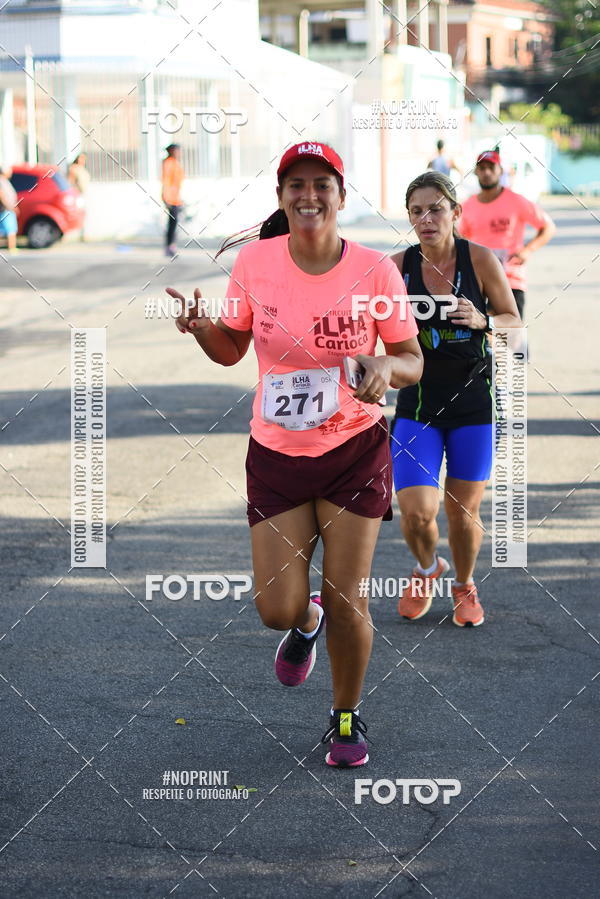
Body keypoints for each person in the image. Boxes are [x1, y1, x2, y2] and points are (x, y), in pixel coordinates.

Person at [167, 142, 422, 767]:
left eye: (321, 184)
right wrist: (204, 328)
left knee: (347, 598)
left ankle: (345, 717)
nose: (308, 194)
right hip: (278, 452)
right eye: (295, 184)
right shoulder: (255, 264)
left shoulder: (376, 271)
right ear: (282, 196)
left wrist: (385, 366)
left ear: (341, 194)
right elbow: (232, 350)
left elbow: (413, 360)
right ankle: (302, 625)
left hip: (354, 448)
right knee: (275, 608)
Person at [390, 171, 521, 627]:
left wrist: (483, 320)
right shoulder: (396, 268)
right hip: (417, 408)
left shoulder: (479, 260)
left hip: (473, 409)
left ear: (455, 213)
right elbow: (363, 326)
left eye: (436, 209)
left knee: (463, 513)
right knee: (416, 514)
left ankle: (464, 583)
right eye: (416, 212)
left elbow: (515, 325)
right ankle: (428, 569)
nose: (426, 219)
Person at [459, 149, 555, 320]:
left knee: (511, 339)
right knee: (483, 340)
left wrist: (528, 250)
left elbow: (548, 227)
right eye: (482, 168)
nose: (487, 172)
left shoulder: (516, 201)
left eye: (491, 167)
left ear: (500, 170)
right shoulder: (467, 206)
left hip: (511, 279)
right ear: (476, 172)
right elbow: (460, 241)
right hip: (479, 282)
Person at [161, 143, 184, 257]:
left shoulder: (175, 163)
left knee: (174, 223)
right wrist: (165, 197)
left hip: (176, 198)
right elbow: (166, 181)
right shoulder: (168, 163)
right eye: (177, 151)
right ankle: (169, 246)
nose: (179, 153)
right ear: (171, 151)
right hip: (170, 198)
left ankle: (171, 246)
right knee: (172, 223)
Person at [68, 153, 90, 241]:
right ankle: (71, 235)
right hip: (77, 195)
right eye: (81, 158)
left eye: (84, 159)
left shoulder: (82, 169)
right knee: (75, 213)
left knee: (84, 214)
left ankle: (84, 234)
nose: (82, 161)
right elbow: (70, 182)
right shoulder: (74, 168)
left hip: (83, 194)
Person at [0, 164, 18, 253]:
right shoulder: (1, 181)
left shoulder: (4, 181)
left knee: (8, 229)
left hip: (8, 209)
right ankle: (12, 249)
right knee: (10, 229)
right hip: (5, 210)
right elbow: (1, 195)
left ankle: (12, 248)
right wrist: (10, 207)